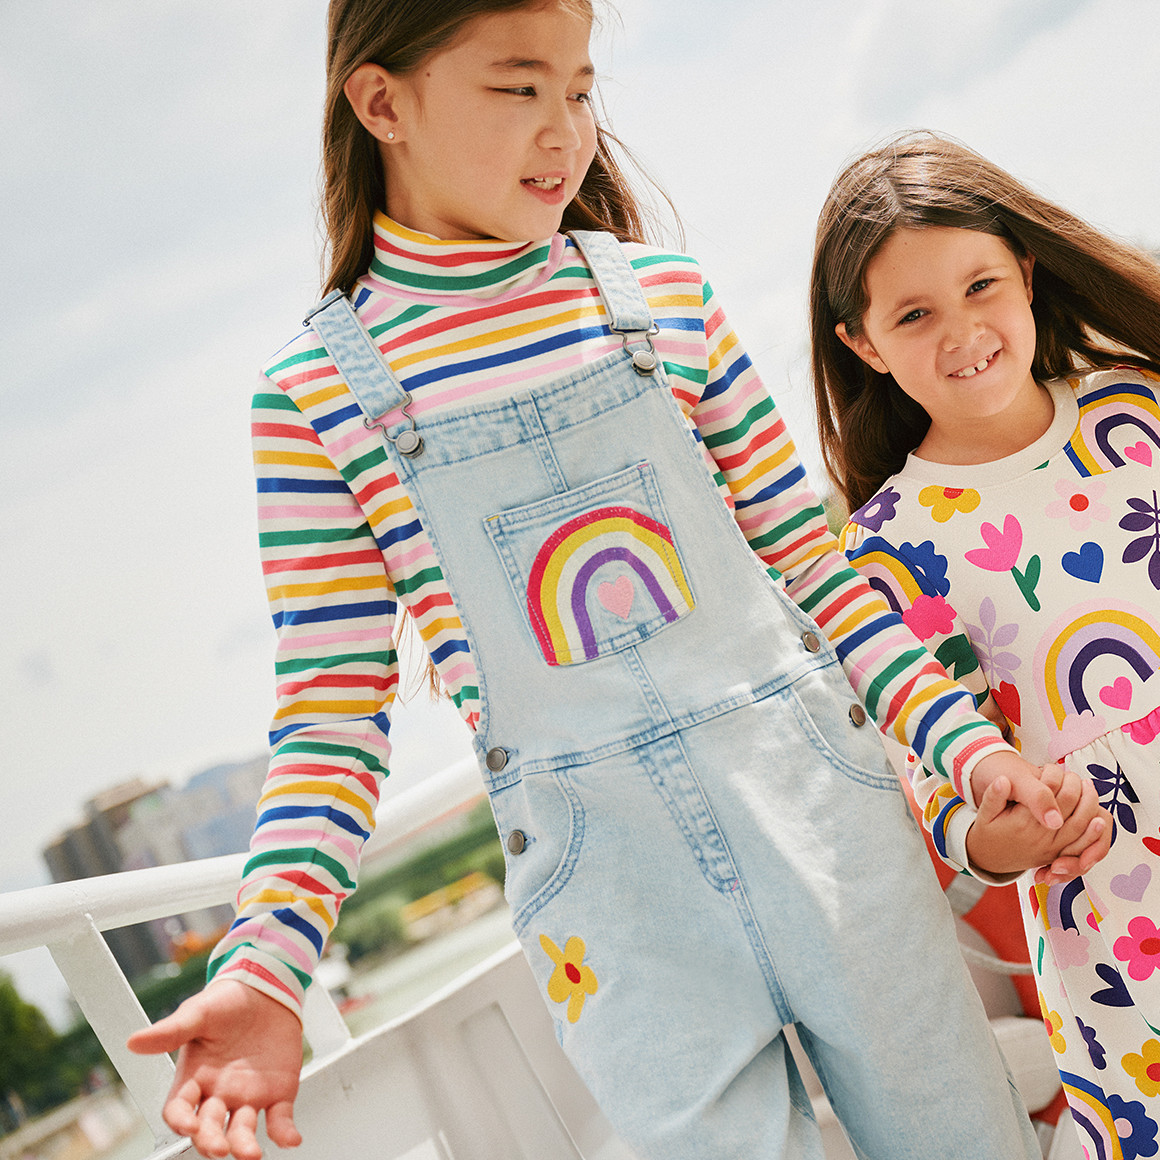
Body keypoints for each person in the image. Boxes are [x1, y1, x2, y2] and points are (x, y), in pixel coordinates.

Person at [126, 10, 1096, 1156]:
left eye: (579, 91)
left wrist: (967, 752)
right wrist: (269, 963)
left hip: (825, 822)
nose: (564, 132)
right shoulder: (314, 396)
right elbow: (331, 716)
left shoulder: (662, 299)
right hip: (613, 911)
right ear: (381, 105)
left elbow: (822, 578)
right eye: (517, 89)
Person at [811, 129, 1160, 1159]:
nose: (959, 329)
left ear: (1027, 274)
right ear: (863, 342)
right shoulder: (882, 551)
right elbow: (948, 795)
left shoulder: (1137, 407)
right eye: (913, 313)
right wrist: (1010, 835)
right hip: (1120, 932)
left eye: (978, 285)